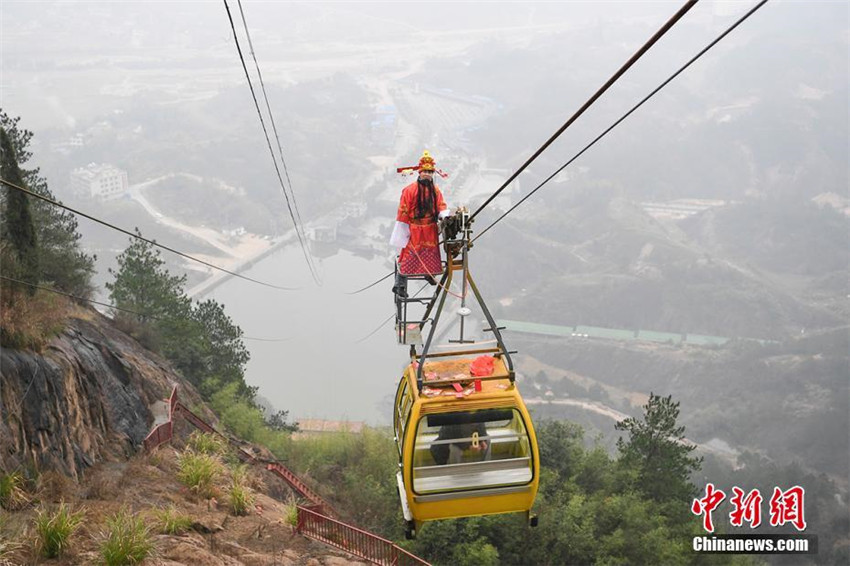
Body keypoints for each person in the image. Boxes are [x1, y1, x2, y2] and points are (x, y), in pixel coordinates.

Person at [390, 150, 452, 298]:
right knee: (409, 256)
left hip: (430, 228)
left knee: (430, 252)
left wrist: (444, 215)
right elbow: (403, 211)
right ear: (419, 172)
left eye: (430, 172)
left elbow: (441, 206)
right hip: (415, 229)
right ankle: (399, 285)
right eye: (425, 172)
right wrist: (403, 230)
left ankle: (429, 274)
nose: (428, 175)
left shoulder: (435, 190)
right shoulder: (409, 190)